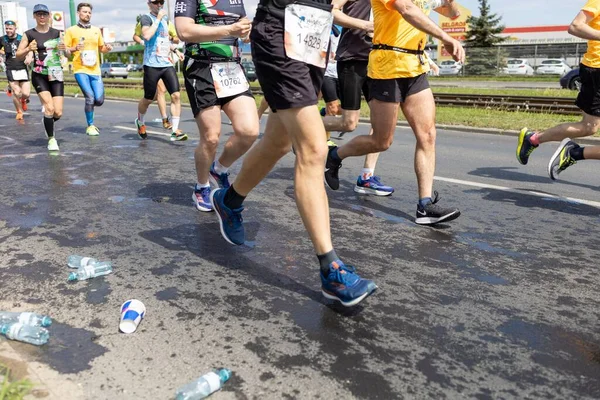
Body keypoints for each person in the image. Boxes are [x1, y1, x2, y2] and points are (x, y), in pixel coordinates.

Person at [201, 0, 377, 307]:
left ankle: (229, 201)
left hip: (314, 35)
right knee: (313, 148)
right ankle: (331, 269)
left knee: (278, 142)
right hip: (280, 29)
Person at [324, 0, 465, 225]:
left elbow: (453, 14)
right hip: (387, 66)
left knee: (428, 135)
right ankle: (335, 156)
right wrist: (445, 38)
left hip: (416, 67)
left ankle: (425, 205)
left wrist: (449, 2)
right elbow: (407, 9)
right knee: (381, 141)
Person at [175, 0, 260, 212]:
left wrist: (245, 32)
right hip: (202, 67)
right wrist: (229, 29)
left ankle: (219, 169)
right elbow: (184, 31)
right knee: (211, 137)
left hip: (231, 69)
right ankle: (201, 186)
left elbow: (242, 28)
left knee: (249, 131)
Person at [517, 0, 600, 180]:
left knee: (589, 127)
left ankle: (568, 151)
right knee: (589, 127)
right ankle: (535, 139)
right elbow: (575, 26)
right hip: (597, 69)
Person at [322, 0, 395, 196]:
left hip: (381, 61)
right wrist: (365, 25)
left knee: (381, 123)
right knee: (349, 123)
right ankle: (300, 125)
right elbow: (332, 11)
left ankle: (366, 177)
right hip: (353, 59)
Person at [135, 0, 187, 142]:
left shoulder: (165, 19)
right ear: (149, 4)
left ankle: (175, 130)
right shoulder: (146, 18)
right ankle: (140, 121)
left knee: (176, 95)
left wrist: (176, 50)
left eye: (161, 2)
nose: (159, 5)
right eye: (156, 2)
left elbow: (163, 40)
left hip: (166, 63)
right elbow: (146, 36)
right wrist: (157, 19)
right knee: (149, 98)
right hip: (151, 64)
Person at [16, 4, 66, 152]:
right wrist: (28, 49)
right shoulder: (29, 34)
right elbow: (18, 55)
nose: (42, 17)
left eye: (44, 14)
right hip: (39, 74)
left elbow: (66, 52)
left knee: (58, 112)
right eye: (38, 14)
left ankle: (47, 120)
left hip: (56, 73)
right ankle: (51, 139)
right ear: (34, 16)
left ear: (49, 15)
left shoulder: (57, 33)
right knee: (49, 107)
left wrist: (65, 50)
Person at [64, 2, 112, 136]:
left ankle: (89, 107)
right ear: (78, 13)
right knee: (90, 98)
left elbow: (101, 48)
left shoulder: (96, 30)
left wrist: (107, 49)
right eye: (84, 12)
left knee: (99, 100)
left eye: (89, 12)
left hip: (95, 70)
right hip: (80, 69)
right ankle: (90, 125)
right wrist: (74, 49)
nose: (87, 14)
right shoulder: (71, 30)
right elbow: (65, 51)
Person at [0, 20, 32, 121]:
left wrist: (29, 57)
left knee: (26, 93)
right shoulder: (2, 39)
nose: (8, 30)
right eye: (7, 28)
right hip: (10, 68)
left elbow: (30, 49)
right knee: (17, 92)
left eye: (10, 28)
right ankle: (19, 111)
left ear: (15, 28)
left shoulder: (21, 38)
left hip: (22, 68)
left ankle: (23, 100)